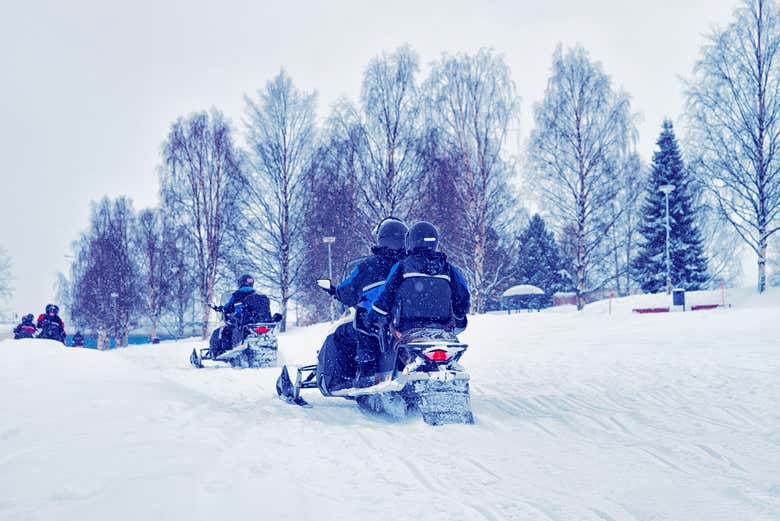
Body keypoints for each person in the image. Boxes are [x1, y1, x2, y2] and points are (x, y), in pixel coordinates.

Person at [319, 217, 408, 390]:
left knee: (340, 334)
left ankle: (343, 378)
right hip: (405, 322)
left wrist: (334, 291)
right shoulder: (410, 265)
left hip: (376, 321)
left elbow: (346, 294)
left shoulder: (368, 266)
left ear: (381, 240)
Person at [368, 221, 470, 335]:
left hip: (407, 327)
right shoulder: (448, 269)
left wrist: (375, 315)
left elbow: (386, 293)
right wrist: (460, 315)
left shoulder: (402, 267)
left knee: (389, 346)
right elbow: (462, 297)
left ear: (411, 241)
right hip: (442, 327)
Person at [212, 274, 273, 355]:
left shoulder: (238, 294)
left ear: (240, 283)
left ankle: (225, 350)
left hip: (244, 321)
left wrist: (222, 308)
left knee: (226, 330)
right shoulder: (259, 295)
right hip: (261, 322)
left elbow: (228, 306)